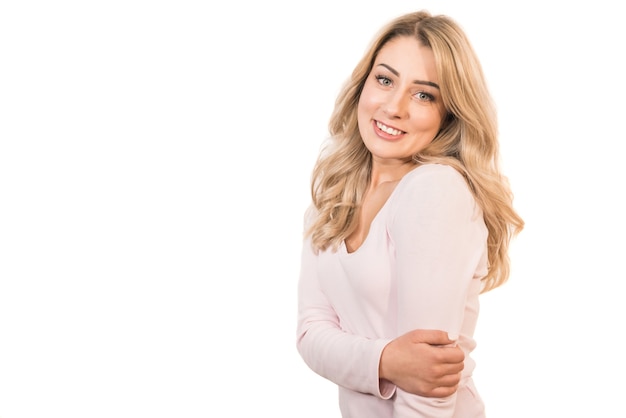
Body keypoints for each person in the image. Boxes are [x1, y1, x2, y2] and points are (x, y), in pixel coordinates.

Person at [295, 10, 524, 418]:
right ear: (363, 83)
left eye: (424, 95)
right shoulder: (333, 193)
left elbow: (429, 385)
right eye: (385, 80)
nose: (394, 107)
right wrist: (387, 360)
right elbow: (310, 335)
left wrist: (378, 361)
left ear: (449, 115)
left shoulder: (434, 189)